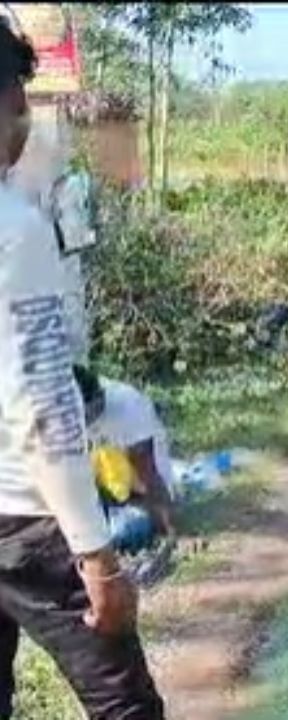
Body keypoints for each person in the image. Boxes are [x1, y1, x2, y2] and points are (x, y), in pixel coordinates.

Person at [0, 20, 165, 719]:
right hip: (27, 521)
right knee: (124, 707)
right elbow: (41, 400)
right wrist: (96, 557)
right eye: (16, 99)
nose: (22, 120)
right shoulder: (14, 227)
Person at [73, 366, 178, 547]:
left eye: (90, 412)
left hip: (137, 473)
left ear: (101, 396)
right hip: (98, 468)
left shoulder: (129, 407)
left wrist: (170, 532)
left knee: (131, 529)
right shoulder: (53, 413)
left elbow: (148, 473)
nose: (88, 419)